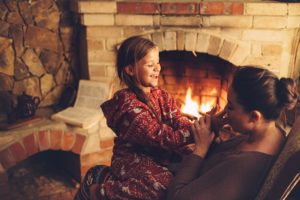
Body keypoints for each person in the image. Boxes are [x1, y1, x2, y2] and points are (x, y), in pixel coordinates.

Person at [75, 36, 195, 200]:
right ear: (130, 70)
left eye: (158, 63)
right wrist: (195, 132)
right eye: (150, 65)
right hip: (131, 159)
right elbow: (160, 136)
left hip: (159, 154)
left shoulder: (163, 96)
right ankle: (98, 192)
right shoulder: (128, 106)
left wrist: (198, 126)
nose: (157, 69)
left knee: (193, 163)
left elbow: (178, 119)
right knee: (164, 183)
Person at [167, 66, 298, 200]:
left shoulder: (243, 168)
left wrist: (200, 148)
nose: (224, 112)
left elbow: (176, 197)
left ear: (254, 117)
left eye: (230, 106)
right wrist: (214, 137)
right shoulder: (271, 133)